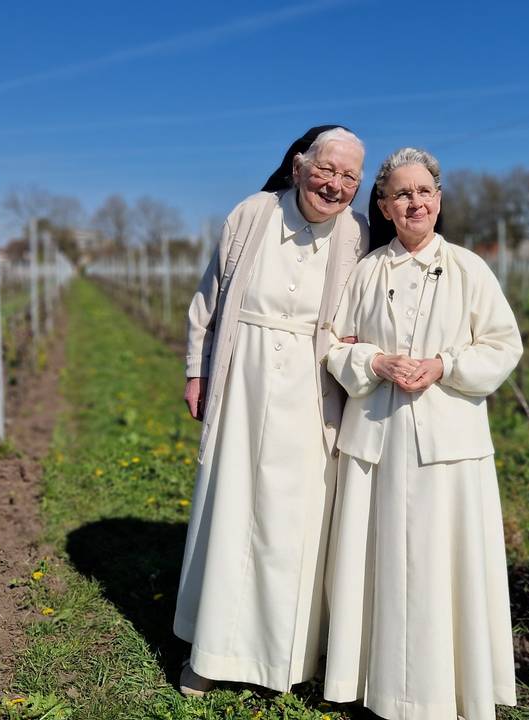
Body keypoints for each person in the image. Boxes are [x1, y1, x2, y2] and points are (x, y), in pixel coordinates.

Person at [323, 147, 521, 720]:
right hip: (376, 444)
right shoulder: (365, 271)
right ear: (382, 207)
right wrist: (375, 364)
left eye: (424, 192)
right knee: (378, 561)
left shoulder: (469, 269)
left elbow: (503, 345)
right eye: (401, 194)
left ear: (439, 201)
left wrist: (443, 365)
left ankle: (446, 694)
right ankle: (376, 688)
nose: (415, 202)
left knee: (442, 566)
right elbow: (335, 342)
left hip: (449, 448)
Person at [175, 127, 371, 696]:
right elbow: (210, 297)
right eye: (327, 169)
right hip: (242, 377)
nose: (335, 185)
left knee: (294, 520)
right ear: (297, 164)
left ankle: (278, 662)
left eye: (350, 177)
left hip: (311, 388)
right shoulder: (253, 213)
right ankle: (209, 656)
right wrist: (198, 369)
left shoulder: (356, 234)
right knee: (229, 509)